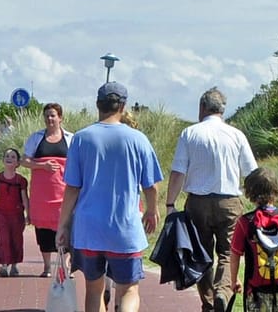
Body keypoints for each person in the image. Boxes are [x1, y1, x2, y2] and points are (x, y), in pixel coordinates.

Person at [58, 82, 163, 312]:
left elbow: (72, 188)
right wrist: (152, 210)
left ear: (98, 104)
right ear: (123, 106)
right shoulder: (138, 139)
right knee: (128, 290)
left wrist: (63, 225)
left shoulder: (81, 139)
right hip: (124, 228)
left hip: (89, 229)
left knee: (94, 289)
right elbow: (151, 186)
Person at [164, 87, 259, 312]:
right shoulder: (236, 135)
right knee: (229, 252)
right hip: (229, 201)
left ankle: (208, 303)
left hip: (197, 202)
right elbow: (252, 172)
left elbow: (178, 172)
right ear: (223, 111)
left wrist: (170, 203)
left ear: (202, 107)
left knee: (201, 254)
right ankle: (223, 292)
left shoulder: (190, 133)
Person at [226, 168, 278, 312]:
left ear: (249, 193)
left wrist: (234, 281)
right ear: (276, 190)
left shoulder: (245, 222)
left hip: (257, 288)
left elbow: (234, 254)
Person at [22, 101, 73, 277]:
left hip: (64, 192)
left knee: (66, 226)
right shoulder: (35, 138)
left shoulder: (71, 138)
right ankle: (46, 266)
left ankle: (65, 265)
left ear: (60, 118)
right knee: (43, 230)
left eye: (53, 115)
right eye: (47, 116)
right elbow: (24, 161)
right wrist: (42, 166)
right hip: (42, 194)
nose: (50, 119)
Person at [0, 146, 30, 276]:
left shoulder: (21, 180)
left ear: (18, 163)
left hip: (17, 214)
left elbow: (25, 198)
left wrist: (28, 214)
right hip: (1, 213)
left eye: (13, 157)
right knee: (3, 238)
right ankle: (4, 265)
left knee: (16, 239)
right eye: (7, 156)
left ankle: (14, 265)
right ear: (3, 160)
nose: (9, 159)